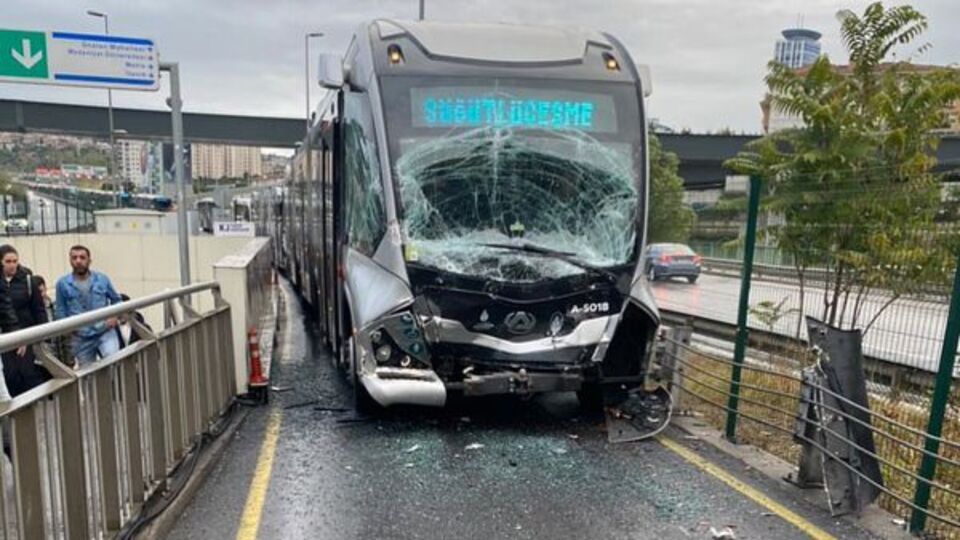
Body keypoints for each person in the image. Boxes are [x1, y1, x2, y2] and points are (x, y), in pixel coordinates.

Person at [54, 245, 122, 366]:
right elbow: (60, 309)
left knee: (114, 363)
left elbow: (117, 300)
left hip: (104, 331)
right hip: (80, 337)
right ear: (70, 260)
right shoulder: (62, 284)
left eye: (82, 257)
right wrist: (67, 329)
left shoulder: (102, 279)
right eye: (74, 258)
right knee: (88, 373)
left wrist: (114, 317)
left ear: (89, 260)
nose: (78, 261)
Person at [0, 245, 49, 396]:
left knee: (27, 373)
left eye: (15, 261)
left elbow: (39, 309)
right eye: (8, 261)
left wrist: (43, 335)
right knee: (10, 375)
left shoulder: (27, 280)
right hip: (5, 335)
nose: (12, 265)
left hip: (26, 334)